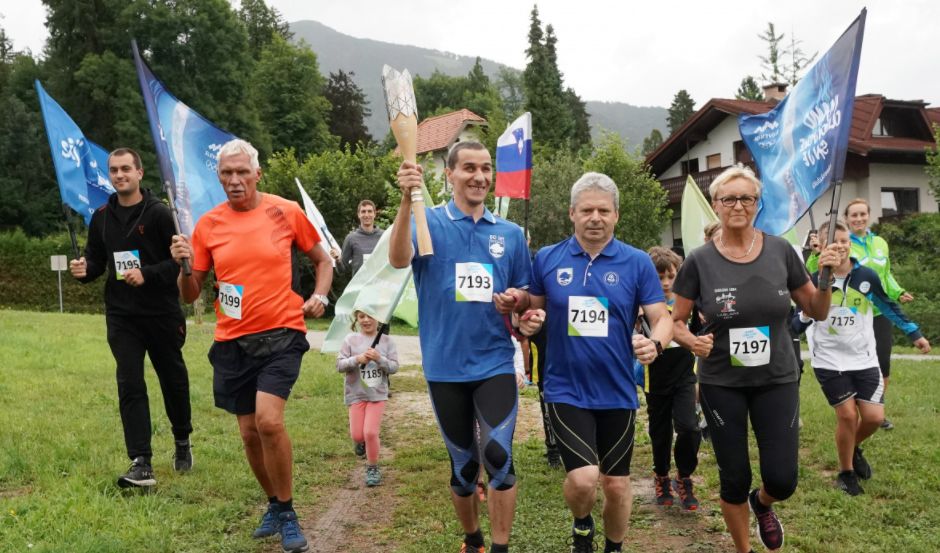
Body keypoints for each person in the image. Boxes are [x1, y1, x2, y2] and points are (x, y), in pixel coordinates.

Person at [170, 139, 333, 553]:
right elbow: (190, 294)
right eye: (227, 173)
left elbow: (323, 260)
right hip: (233, 342)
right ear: (219, 177)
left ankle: (289, 513)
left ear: (257, 174)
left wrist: (320, 295)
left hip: (282, 334)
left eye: (242, 172)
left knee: (269, 422)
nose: (235, 180)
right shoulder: (208, 225)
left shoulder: (285, 211)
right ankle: (274, 504)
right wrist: (183, 265)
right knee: (248, 434)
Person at [670, 164, 840, 553]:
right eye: (729, 198)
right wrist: (691, 341)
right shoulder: (699, 260)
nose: (738, 205)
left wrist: (826, 277)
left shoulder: (781, 251)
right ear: (715, 204)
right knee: (733, 477)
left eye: (747, 198)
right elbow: (675, 321)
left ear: (758, 204)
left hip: (776, 378)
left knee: (783, 479)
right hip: (721, 382)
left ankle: (761, 503)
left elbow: (817, 310)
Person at [389, 140, 537, 553]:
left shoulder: (509, 234)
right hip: (444, 365)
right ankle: (473, 541)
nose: (480, 176)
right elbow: (398, 259)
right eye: (469, 168)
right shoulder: (427, 221)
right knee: (464, 466)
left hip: (494, 363)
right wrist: (406, 200)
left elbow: (525, 295)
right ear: (450, 174)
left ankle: (501, 548)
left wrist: (517, 302)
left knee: (498, 456)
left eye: (486, 168)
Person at [523, 172, 673, 553]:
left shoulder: (636, 262)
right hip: (565, 387)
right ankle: (582, 525)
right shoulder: (548, 258)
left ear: (616, 215)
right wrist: (528, 322)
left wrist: (655, 343)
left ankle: (614, 548)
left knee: (617, 485)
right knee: (583, 479)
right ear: (571, 213)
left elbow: (662, 317)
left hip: (617, 390)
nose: (595, 218)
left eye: (603, 211)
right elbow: (532, 314)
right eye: (587, 210)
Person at [69, 147, 192, 489]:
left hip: (161, 313)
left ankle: (182, 439)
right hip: (122, 315)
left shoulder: (160, 214)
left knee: (173, 380)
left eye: (126, 168)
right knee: (130, 382)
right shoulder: (101, 216)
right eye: (114, 170)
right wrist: (84, 270)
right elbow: (97, 261)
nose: (119, 175)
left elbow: (178, 264)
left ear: (139, 172)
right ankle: (141, 461)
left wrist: (146, 274)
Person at [792, 220, 930, 496]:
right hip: (829, 360)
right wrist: (806, 313)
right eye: (834, 242)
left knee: (874, 418)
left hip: (864, 358)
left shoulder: (866, 276)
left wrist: (913, 333)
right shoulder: (811, 279)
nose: (840, 247)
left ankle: (852, 447)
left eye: (844, 241)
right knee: (846, 415)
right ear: (821, 245)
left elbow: (887, 306)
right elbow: (796, 323)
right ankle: (846, 473)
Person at [807, 198, 912, 430]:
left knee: (881, 361)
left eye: (863, 214)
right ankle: (850, 404)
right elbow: (816, 276)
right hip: (843, 311)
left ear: (869, 215)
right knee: (852, 358)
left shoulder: (880, 243)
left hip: (876, 311)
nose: (859, 218)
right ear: (846, 219)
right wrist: (817, 254)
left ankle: (875, 406)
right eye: (854, 215)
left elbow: (885, 275)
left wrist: (897, 292)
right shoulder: (840, 240)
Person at [639, 247, 701, 511]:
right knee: (660, 432)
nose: (665, 283)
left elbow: (699, 337)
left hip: (685, 376)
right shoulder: (642, 306)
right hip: (655, 378)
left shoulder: (689, 303)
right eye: (659, 277)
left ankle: (684, 476)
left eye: (671, 276)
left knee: (689, 427)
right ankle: (661, 476)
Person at [336, 310, 399, 487]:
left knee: (370, 432)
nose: (366, 320)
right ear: (356, 319)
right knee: (357, 434)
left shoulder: (387, 341)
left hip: (377, 395)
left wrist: (380, 359)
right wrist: (357, 359)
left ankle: (372, 467)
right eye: (361, 316)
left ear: (378, 318)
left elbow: (394, 367)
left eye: (370, 316)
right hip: (356, 394)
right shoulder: (350, 340)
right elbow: (339, 365)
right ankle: (360, 442)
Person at [335, 199, 384, 276]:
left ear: (374, 214)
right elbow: (342, 270)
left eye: (370, 211)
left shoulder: (384, 235)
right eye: (363, 211)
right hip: (360, 283)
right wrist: (338, 260)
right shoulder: (351, 238)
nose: (366, 215)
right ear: (358, 214)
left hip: (380, 282)